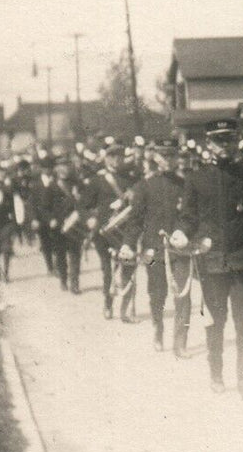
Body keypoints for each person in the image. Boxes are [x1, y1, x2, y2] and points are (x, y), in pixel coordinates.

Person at [172, 118, 243, 402]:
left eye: (229, 139)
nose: (224, 145)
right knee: (215, 321)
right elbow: (188, 217)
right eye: (218, 140)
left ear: (235, 140)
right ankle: (216, 370)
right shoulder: (197, 178)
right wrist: (180, 232)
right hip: (211, 262)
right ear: (208, 144)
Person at [125, 146, 193, 354]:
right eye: (165, 156)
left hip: (179, 249)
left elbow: (191, 216)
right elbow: (135, 220)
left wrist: (183, 231)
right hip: (152, 251)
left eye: (172, 155)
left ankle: (180, 343)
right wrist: (128, 243)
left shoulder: (186, 185)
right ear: (155, 158)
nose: (169, 160)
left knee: (183, 294)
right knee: (157, 294)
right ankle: (158, 329)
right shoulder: (144, 187)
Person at [81, 145, 131, 319]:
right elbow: (83, 205)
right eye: (113, 157)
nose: (117, 160)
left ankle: (125, 309)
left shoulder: (128, 179)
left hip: (122, 231)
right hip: (103, 232)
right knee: (108, 269)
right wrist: (89, 218)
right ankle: (108, 305)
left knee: (125, 268)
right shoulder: (97, 180)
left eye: (120, 157)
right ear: (107, 158)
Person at [48, 161, 85, 293]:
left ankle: (74, 284)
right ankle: (63, 280)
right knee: (61, 255)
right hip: (59, 227)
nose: (64, 170)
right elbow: (46, 206)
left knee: (75, 254)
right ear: (56, 170)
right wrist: (51, 219)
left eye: (66, 166)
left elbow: (84, 203)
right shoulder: (51, 187)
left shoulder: (76, 185)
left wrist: (77, 196)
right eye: (60, 167)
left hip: (74, 225)